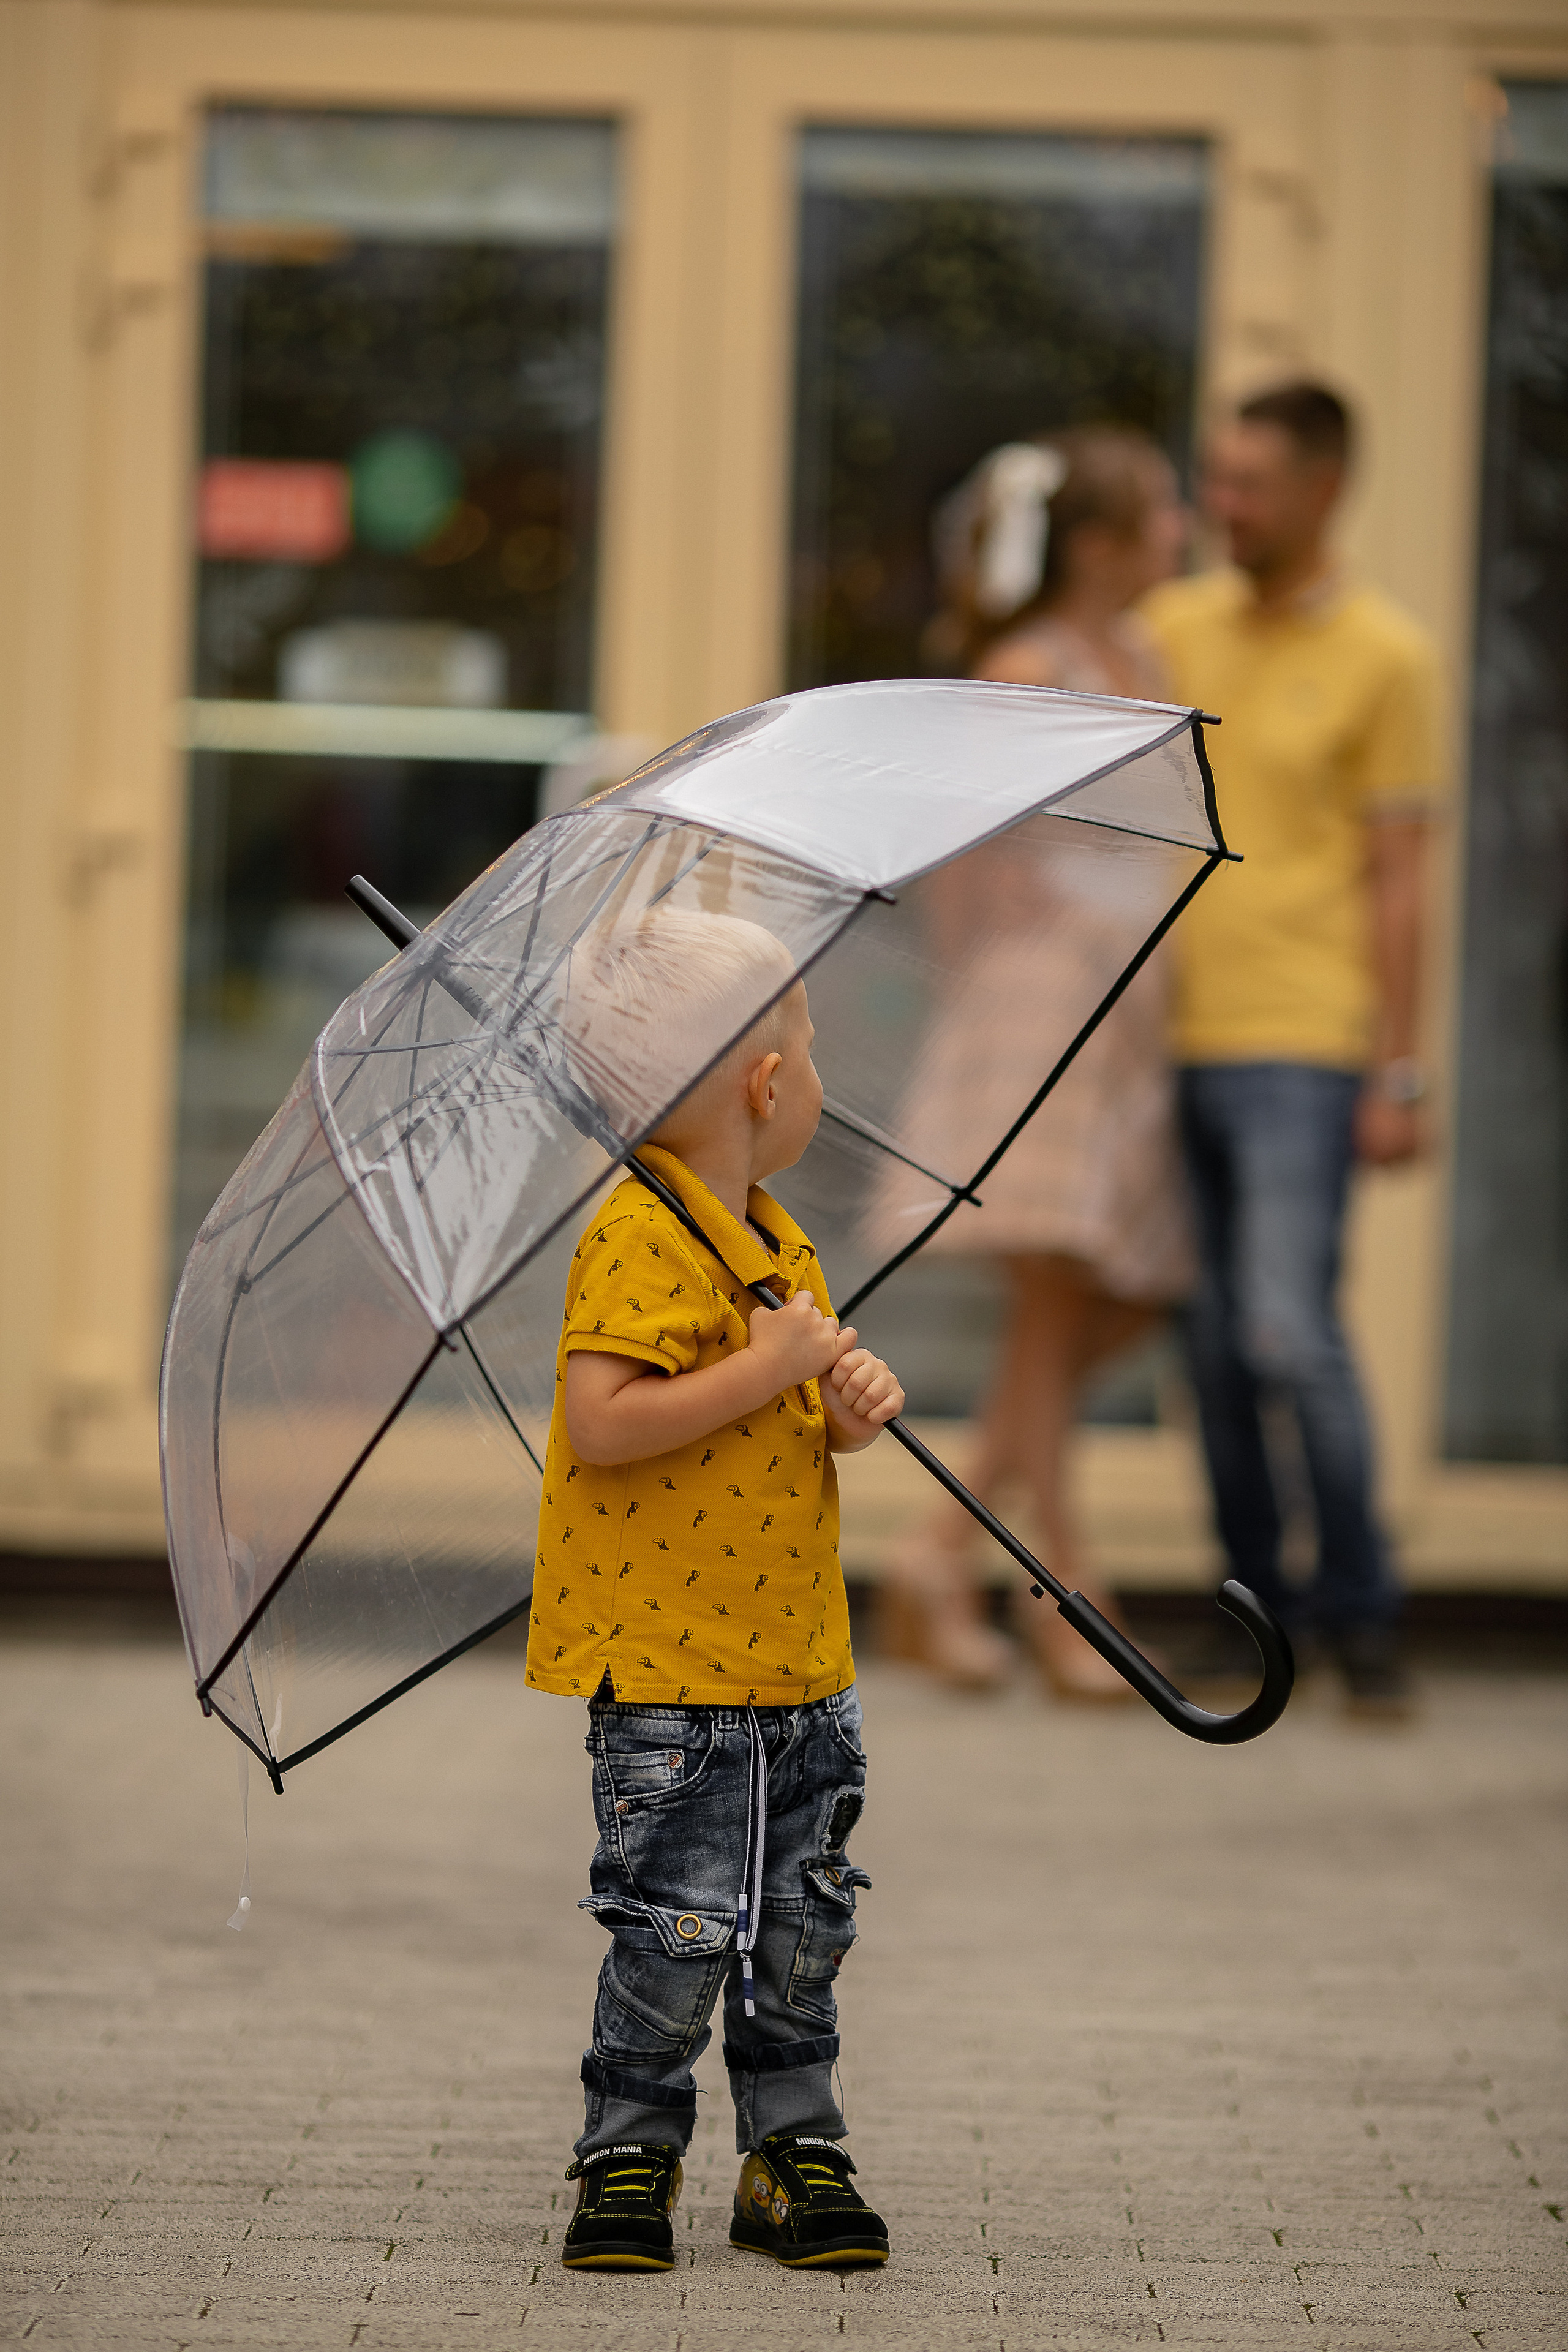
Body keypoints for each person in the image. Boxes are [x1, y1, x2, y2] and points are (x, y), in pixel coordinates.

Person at [526, 910, 903, 2272]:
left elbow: (789, 1422)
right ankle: (625, 2153)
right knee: (674, 1931)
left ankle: (791, 2151)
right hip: (675, 1679)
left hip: (797, 1663)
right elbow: (607, 1420)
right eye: (803, 1052)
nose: (813, 1078)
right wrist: (766, 1363)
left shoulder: (770, 1241)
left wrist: (842, 1402)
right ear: (763, 1080)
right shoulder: (635, 1236)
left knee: (803, 1922)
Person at [1143, 381, 1443, 1713]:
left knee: (1287, 1331)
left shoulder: (1390, 656)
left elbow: (1398, 876)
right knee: (1206, 1346)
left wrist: (1398, 1069)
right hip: (1164, 1039)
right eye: (1215, 478)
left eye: (1249, 483)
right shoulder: (1169, 630)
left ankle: (1363, 1613)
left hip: (1303, 1045)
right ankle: (1254, 1611)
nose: (1224, 505)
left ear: (1323, 487)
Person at [882, 426, 1194, 1700]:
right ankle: (1070, 1603)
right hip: (1038, 1001)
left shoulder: (1147, 655)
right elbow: (964, 860)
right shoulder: (1027, 665)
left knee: (1112, 1297)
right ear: (1103, 542)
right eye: (1163, 512)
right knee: (1057, 1296)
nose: (1182, 533)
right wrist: (996, 969)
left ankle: (935, 1550)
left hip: (1125, 1008)